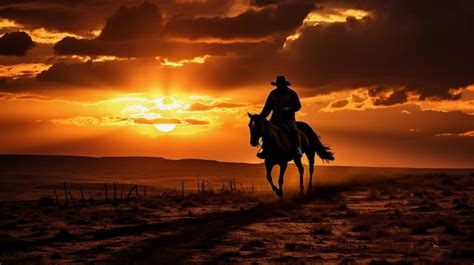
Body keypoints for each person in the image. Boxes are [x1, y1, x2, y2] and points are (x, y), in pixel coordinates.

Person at [257, 75, 302, 159]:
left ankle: (297, 149)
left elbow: (298, 106)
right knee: (266, 130)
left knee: (294, 131)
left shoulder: (291, 93)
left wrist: (289, 108)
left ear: (284, 85)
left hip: (288, 119)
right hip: (275, 119)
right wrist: (261, 117)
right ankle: (265, 150)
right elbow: (267, 107)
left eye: (280, 85)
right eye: (278, 85)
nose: (279, 87)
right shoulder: (273, 94)